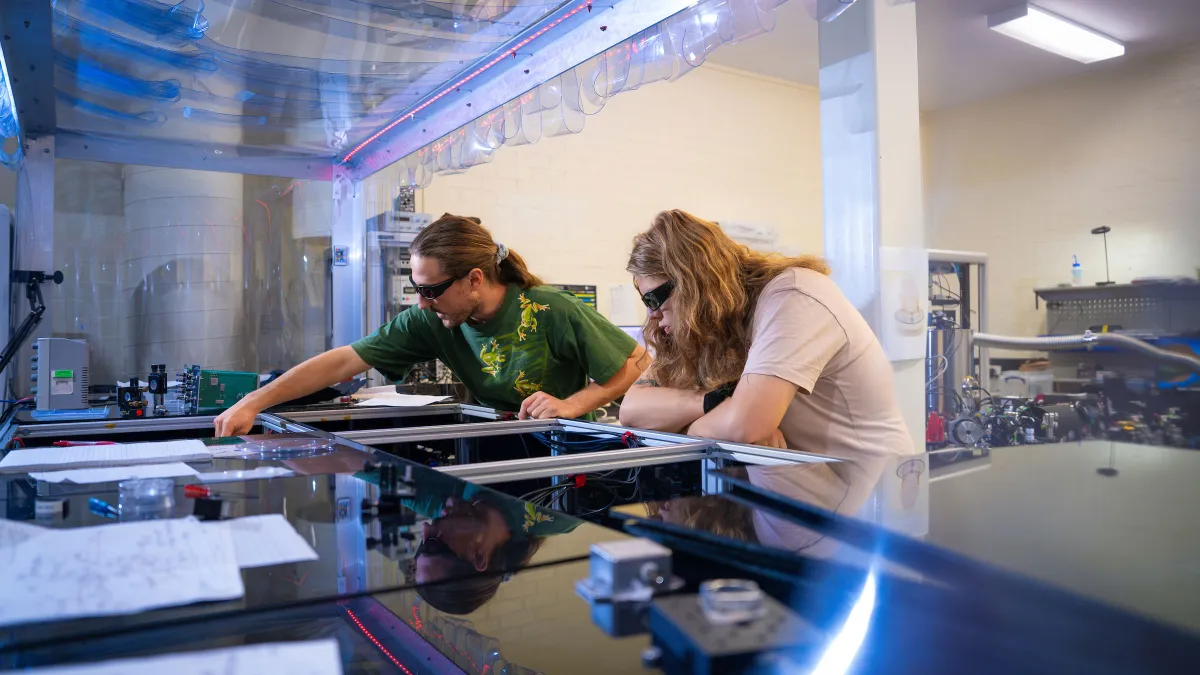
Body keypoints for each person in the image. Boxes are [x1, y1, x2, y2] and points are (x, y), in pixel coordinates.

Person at [215, 214, 647, 436]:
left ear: (474, 279)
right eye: (416, 287)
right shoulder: (434, 318)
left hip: (564, 455)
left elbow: (635, 362)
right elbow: (343, 361)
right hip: (497, 445)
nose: (421, 303)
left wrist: (574, 403)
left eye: (433, 289)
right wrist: (254, 402)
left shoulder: (551, 309)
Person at [618, 209, 913, 457]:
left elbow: (745, 426)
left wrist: (686, 430)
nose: (653, 315)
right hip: (804, 486)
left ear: (694, 283)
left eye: (655, 299)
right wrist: (712, 403)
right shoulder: (715, 328)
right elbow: (631, 410)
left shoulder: (794, 295)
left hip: (870, 488)